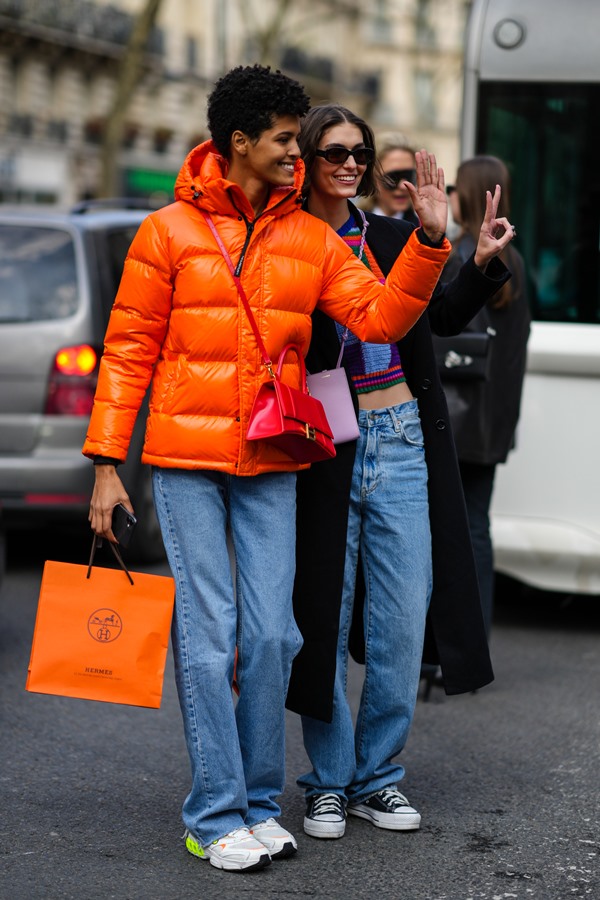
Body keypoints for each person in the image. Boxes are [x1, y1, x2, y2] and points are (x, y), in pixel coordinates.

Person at [81, 66, 452, 874]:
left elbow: (380, 316)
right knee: (210, 640)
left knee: (276, 636)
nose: (300, 150)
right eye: (288, 138)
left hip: (271, 457)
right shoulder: (166, 232)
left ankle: (255, 803)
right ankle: (213, 814)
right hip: (186, 462)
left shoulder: (309, 237)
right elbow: (128, 352)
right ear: (241, 142)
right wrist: (107, 462)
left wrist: (426, 242)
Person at [285, 104, 515, 840]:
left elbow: (441, 317)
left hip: (402, 438)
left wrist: (475, 262)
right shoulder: (287, 243)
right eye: (337, 153)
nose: (352, 165)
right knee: (326, 612)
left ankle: (377, 777)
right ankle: (329, 779)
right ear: (308, 160)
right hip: (326, 443)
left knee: (400, 616)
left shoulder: (388, 235)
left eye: (363, 154)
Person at [441, 156, 531, 638]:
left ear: (468, 194)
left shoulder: (460, 254)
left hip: (454, 419)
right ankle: (474, 637)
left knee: (447, 530)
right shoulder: (516, 260)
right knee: (477, 526)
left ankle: (445, 644)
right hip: (492, 419)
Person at [371, 136, 420, 226]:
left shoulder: (424, 231)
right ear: (372, 178)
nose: (403, 186)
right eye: (394, 177)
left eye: (409, 176)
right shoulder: (351, 225)